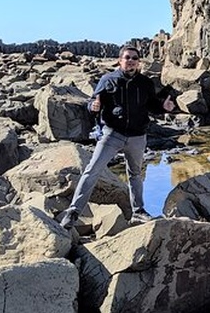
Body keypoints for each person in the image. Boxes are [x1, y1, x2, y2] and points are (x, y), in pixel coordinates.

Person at [59, 46, 174, 229]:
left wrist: (163, 107)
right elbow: (93, 102)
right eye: (127, 57)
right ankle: (73, 212)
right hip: (113, 134)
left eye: (134, 58)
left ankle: (138, 212)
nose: (131, 61)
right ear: (120, 60)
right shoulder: (108, 80)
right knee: (92, 170)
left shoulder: (145, 83)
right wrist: (92, 107)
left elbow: (152, 105)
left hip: (137, 136)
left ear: (139, 62)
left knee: (135, 174)